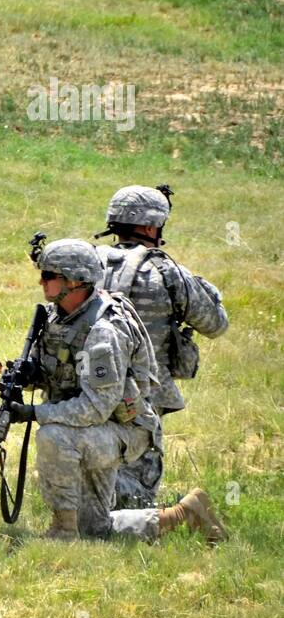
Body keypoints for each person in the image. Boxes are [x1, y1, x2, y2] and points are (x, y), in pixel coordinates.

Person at [7, 238, 227, 543]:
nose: (41, 282)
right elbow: (60, 373)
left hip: (122, 429)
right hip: (95, 429)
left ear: (74, 281)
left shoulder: (103, 332)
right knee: (96, 529)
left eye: (49, 276)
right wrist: (30, 375)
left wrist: (35, 413)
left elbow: (94, 408)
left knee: (53, 435)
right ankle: (185, 514)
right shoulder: (59, 317)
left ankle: (62, 531)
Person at [96, 185, 229, 508]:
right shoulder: (166, 271)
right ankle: (152, 517)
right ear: (149, 227)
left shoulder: (87, 263)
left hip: (86, 389)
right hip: (143, 395)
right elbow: (215, 323)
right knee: (135, 495)